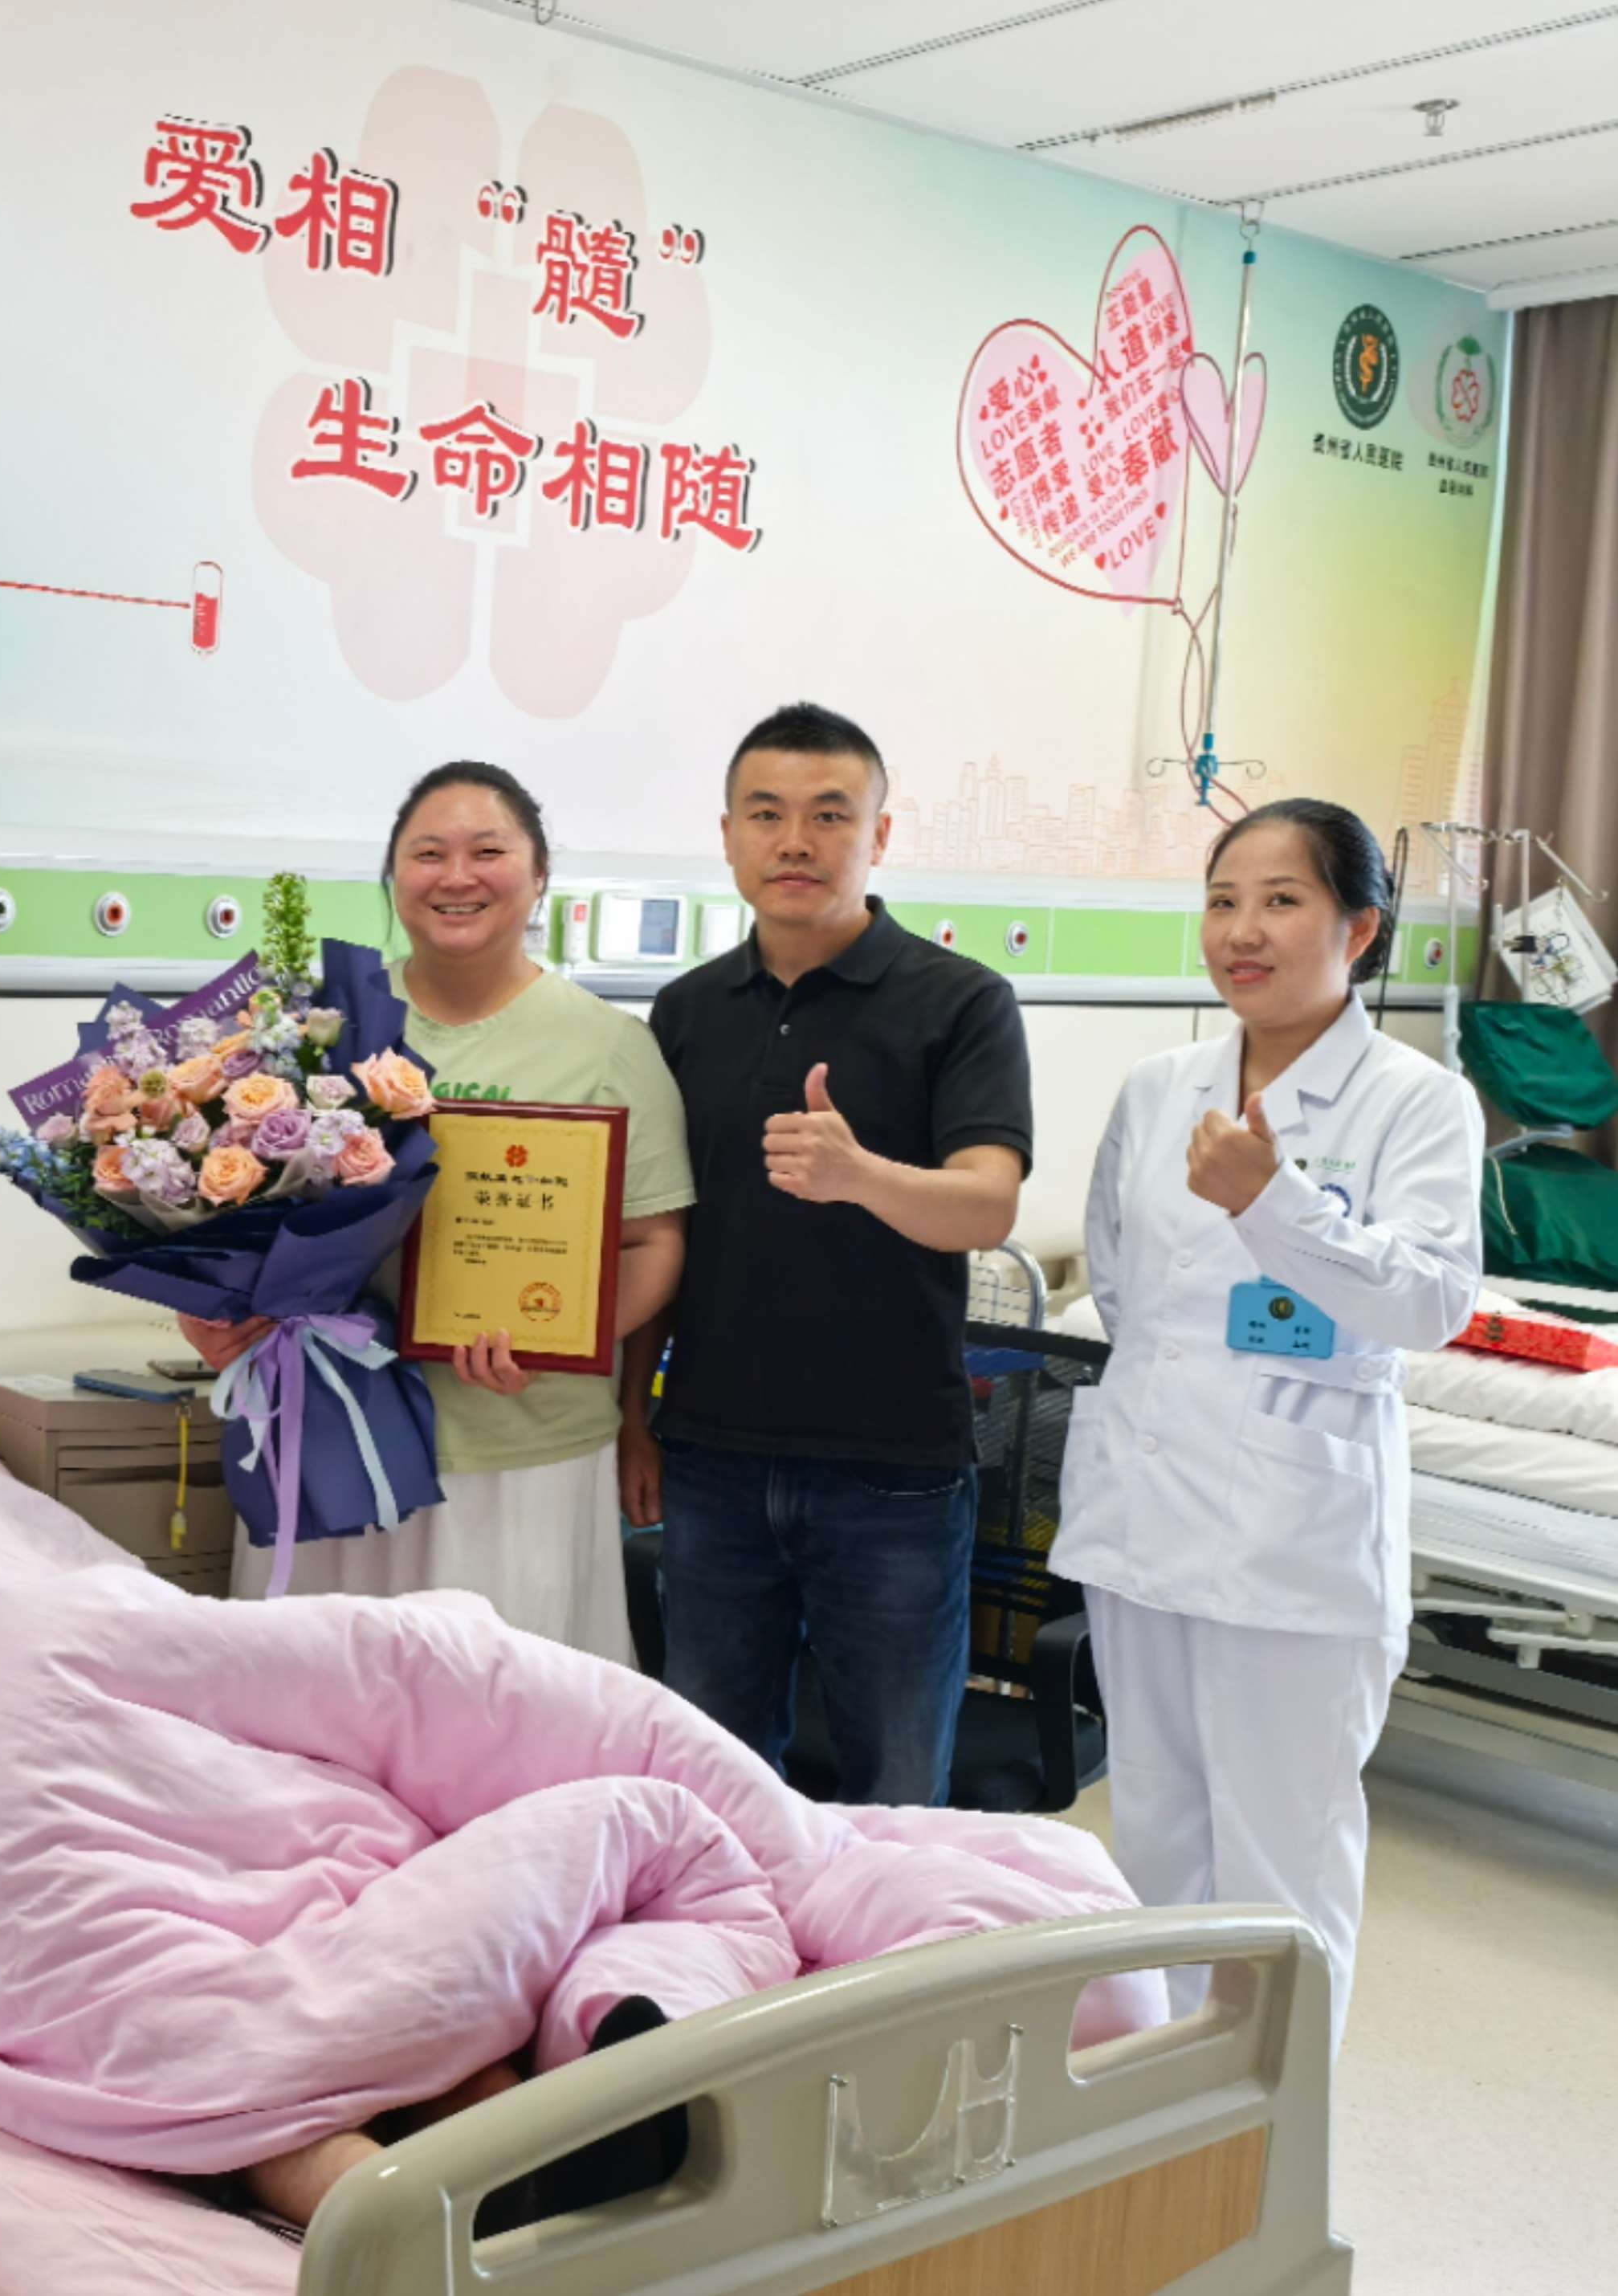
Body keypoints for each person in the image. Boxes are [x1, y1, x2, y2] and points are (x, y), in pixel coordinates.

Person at [0, 1246, 1155, 2233]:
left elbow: (53, 1574)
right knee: (37, 1875)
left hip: (45, 1619)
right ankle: (396, 2153)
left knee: (364, 1730)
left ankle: (638, 1983)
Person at [1052, 801, 1481, 2045]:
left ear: (1360, 930)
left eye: (1282, 901)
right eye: (1222, 900)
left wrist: (1274, 1204)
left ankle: (1272, 2136)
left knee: (1280, 1865)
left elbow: (1431, 1301)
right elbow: (1123, 1284)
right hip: (1145, 1510)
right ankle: (1166, 2110)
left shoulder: (1416, 1101)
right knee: (1155, 1836)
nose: (1241, 931)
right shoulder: (1159, 1088)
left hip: (1292, 1537)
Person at [180, 762, 693, 1661]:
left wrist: (559, 1336)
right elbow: (225, 1209)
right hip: (330, 1433)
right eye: (428, 854)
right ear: (393, 875)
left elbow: (655, 1240)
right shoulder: (320, 1028)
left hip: (520, 1451)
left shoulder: (608, 1045)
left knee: (502, 1710)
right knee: (318, 1704)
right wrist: (212, 1314)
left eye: (488, 851)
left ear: (539, 875)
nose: (457, 876)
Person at [630, 704, 1029, 1804]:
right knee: (710, 1789)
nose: (795, 841)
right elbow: (659, 1229)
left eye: (829, 815)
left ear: (879, 835)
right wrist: (633, 1414)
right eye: (766, 814)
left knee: (896, 1798)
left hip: (891, 1470)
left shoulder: (962, 1003)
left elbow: (988, 1204)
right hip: (712, 1457)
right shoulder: (685, 1010)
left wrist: (861, 1176)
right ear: (727, 835)